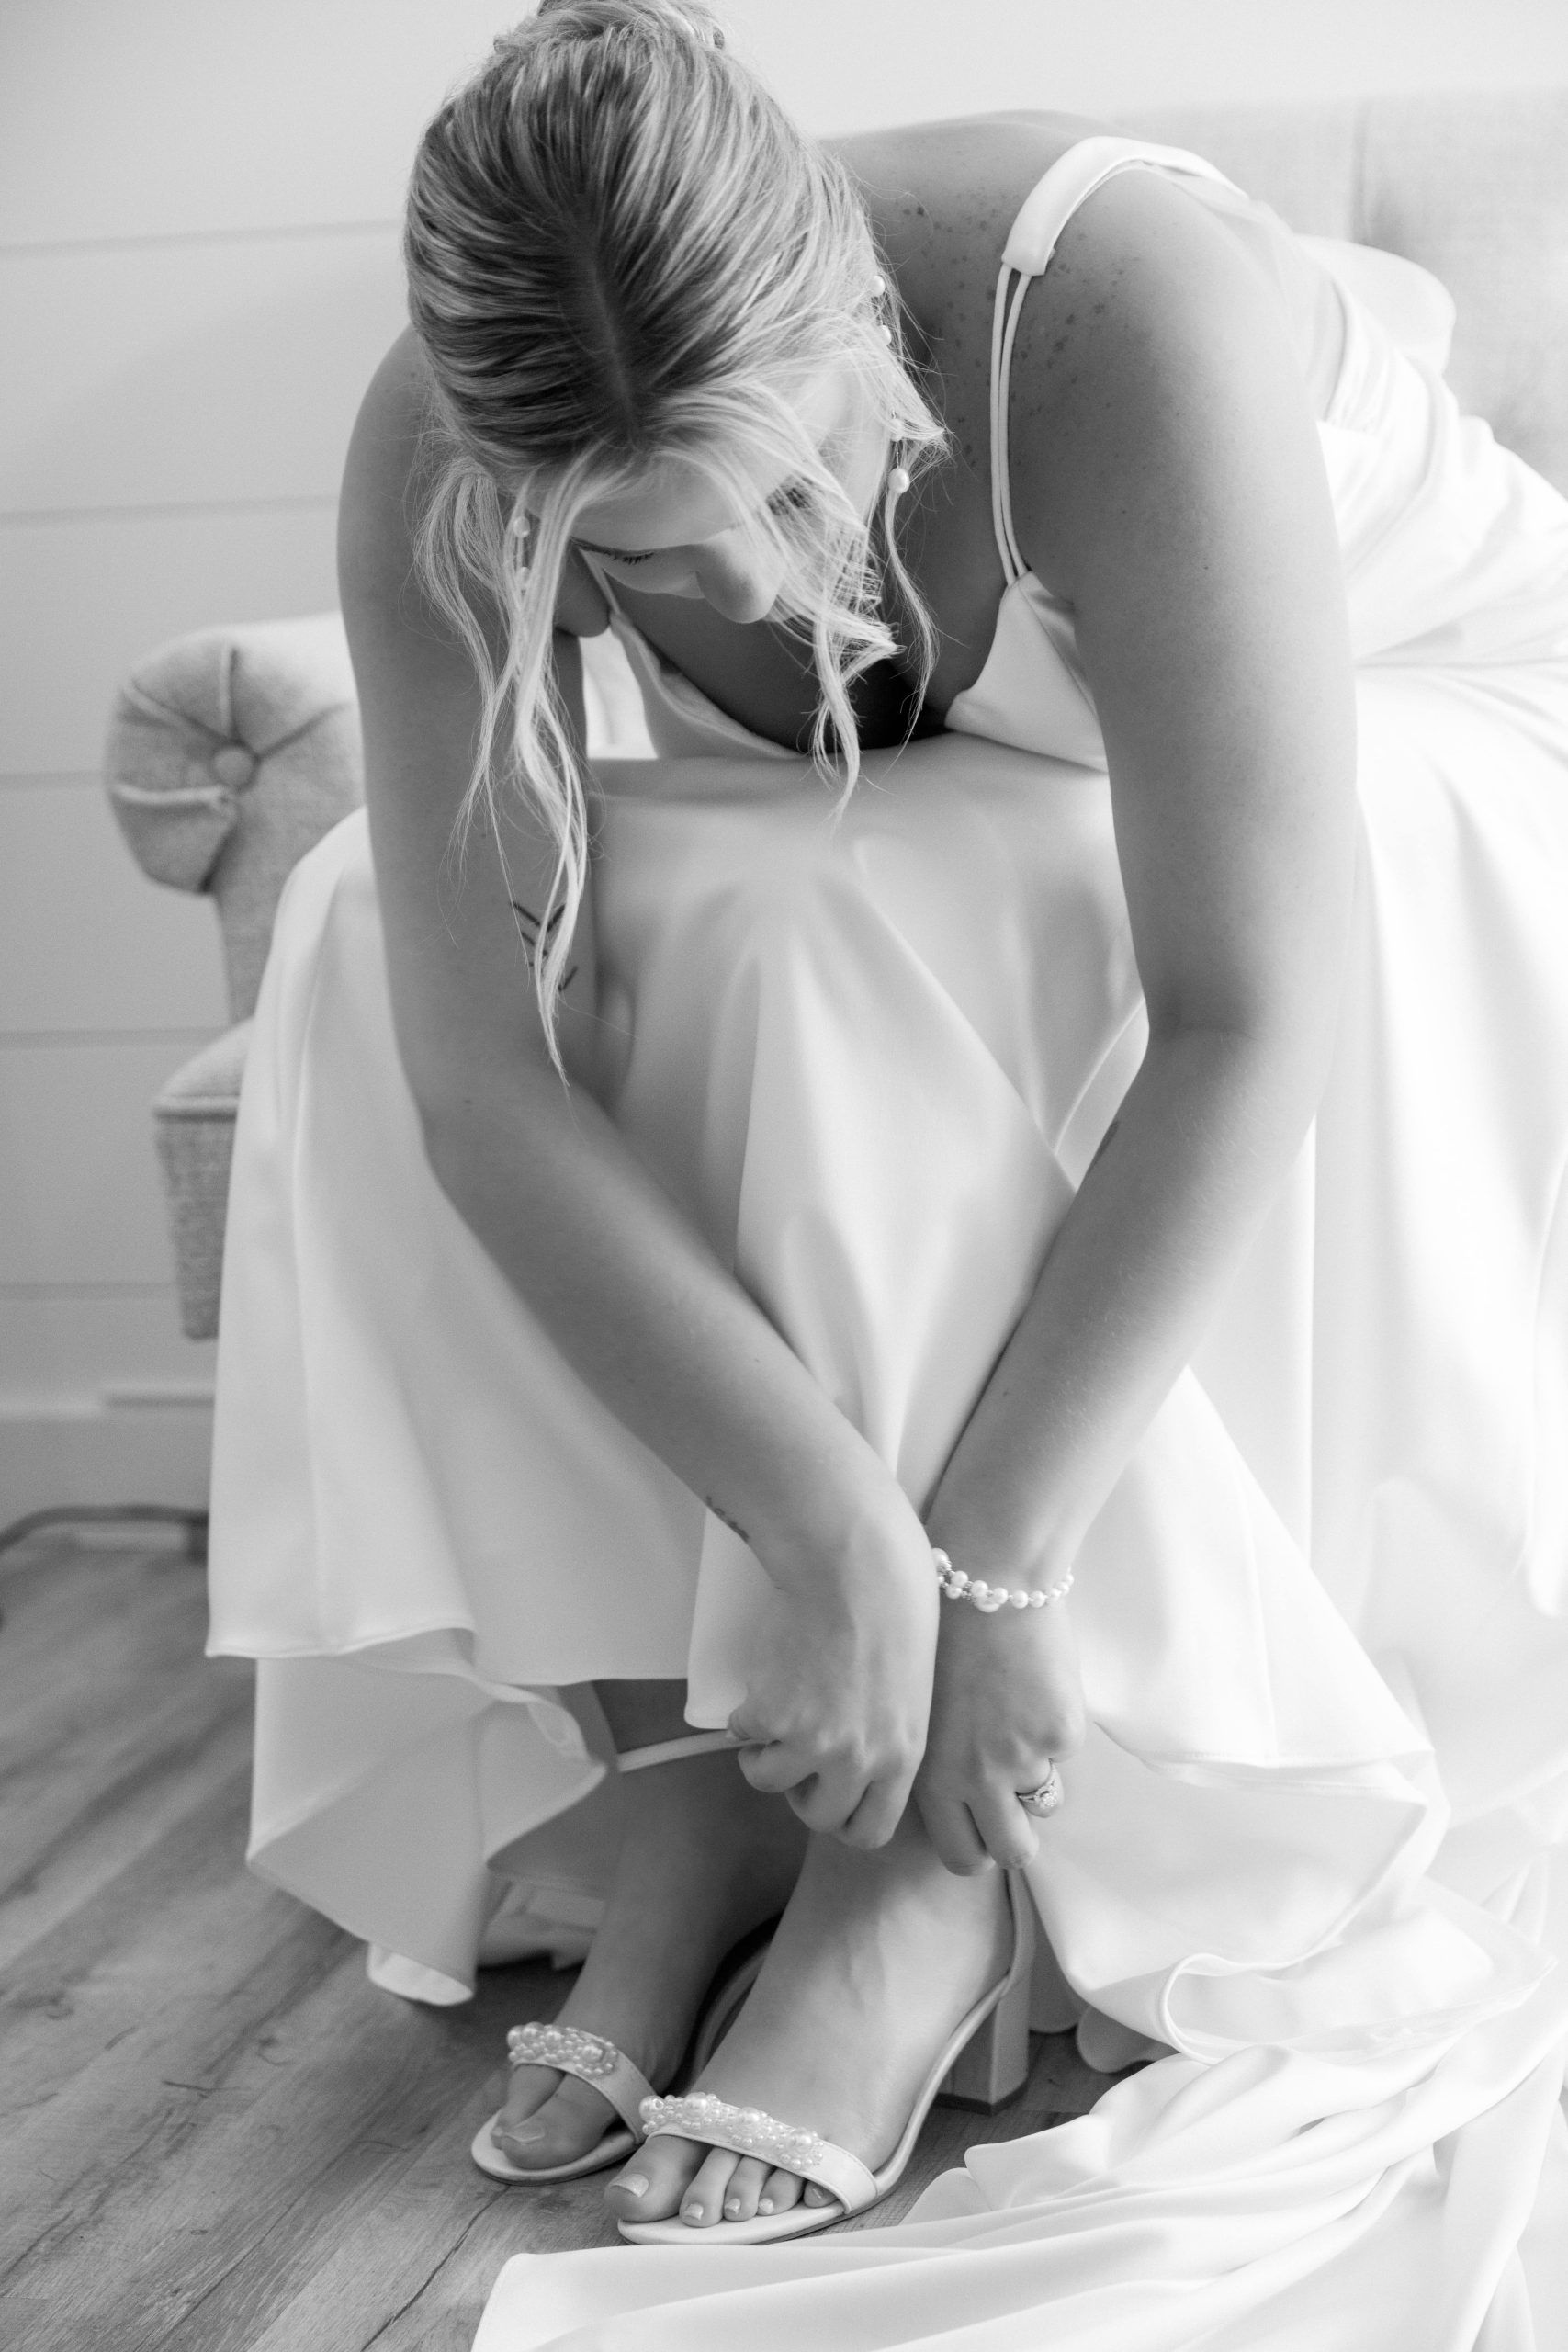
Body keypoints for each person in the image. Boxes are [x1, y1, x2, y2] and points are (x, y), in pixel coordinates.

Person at [209, 0, 1568, 2335]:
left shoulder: (1113, 306)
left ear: (860, 321)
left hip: (1413, 724)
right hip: (1012, 811)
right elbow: (478, 1075)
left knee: (900, 901)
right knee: (365, 907)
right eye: (643, 554)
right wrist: (831, 1533)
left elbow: (1246, 1012)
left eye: (780, 486)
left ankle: (923, 1863)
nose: (742, 580)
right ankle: (733, 1753)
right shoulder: (445, 440)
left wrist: (984, 1576)